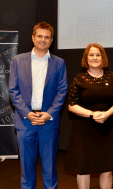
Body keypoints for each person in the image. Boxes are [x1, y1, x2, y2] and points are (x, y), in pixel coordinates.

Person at [9, 22, 68, 188]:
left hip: (48, 122)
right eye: (40, 36)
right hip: (25, 121)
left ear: (51, 40)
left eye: (47, 37)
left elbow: (62, 91)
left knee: (49, 169)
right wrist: (27, 113)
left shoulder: (59, 63)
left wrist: (49, 114)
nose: (43, 40)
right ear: (33, 38)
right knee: (26, 170)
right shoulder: (17, 61)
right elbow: (13, 90)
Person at [64, 43, 113, 189]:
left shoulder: (112, 77)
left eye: (98, 55)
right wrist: (92, 114)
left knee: (107, 168)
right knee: (83, 169)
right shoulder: (79, 78)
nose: (95, 58)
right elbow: (71, 105)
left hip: (106, 129)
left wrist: (107, 114)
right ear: (86, 58)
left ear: (103, 58)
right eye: (91, 55)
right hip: (84, 130)